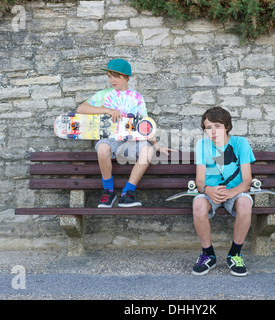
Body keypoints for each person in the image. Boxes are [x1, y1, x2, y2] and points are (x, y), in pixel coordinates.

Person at [77, 59, 174, 208]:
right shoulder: (103, 95)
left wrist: (157, 146)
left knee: (148, 151)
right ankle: (108, 191)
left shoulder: (137, 98)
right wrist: (107, 110)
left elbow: (144, 126)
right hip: (112, 141)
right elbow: (81, 109)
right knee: (102, 148)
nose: (112, 80)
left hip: (132, 142)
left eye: (116, 76)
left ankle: (127, 193)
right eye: (110, 76)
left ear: (127, 77)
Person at [192, 107, 255, 276]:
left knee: (244, 203)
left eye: (217, 126)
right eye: (208, 127)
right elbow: (199, 181)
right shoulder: (202, 145)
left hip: (234, 192)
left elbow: (247, 181)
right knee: (198, 205)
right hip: (211, 192)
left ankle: (235, 254)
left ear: (227, 126)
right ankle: (208, 254)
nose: (213, 131)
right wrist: (207, 189)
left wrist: (232, 192)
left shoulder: (240, 143)